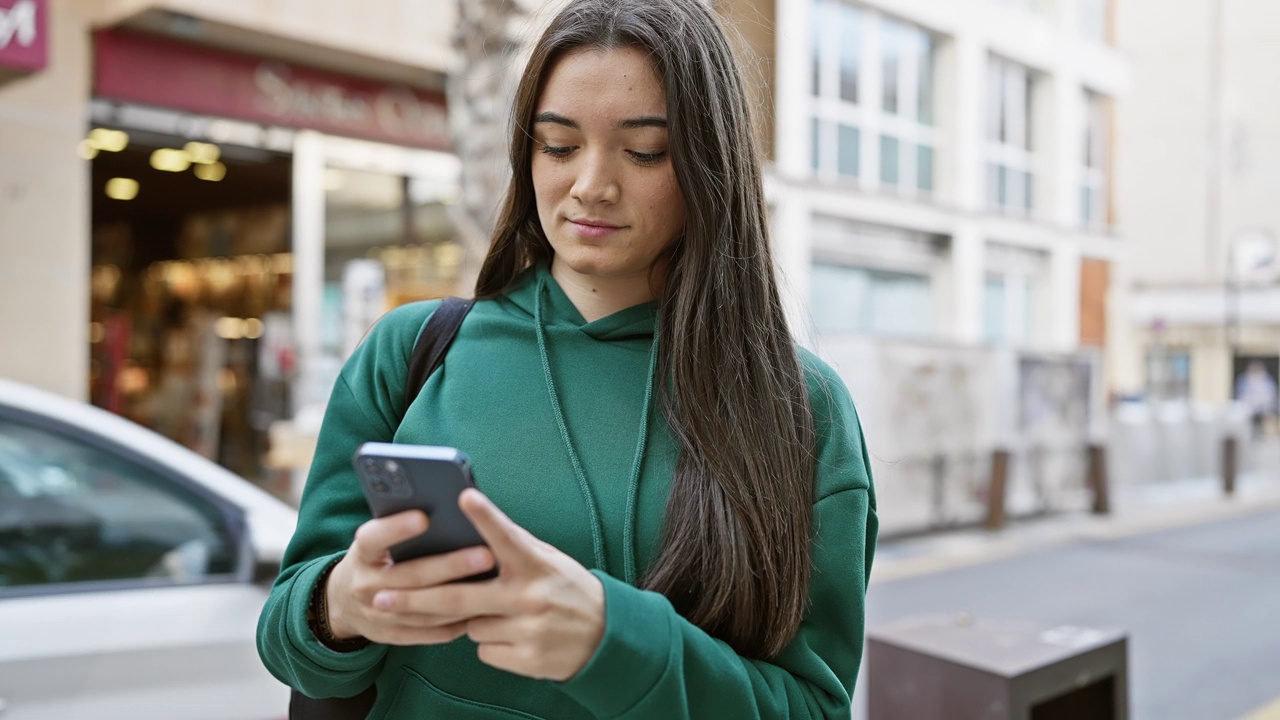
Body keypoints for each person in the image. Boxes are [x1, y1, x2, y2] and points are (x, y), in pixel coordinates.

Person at [256, 0, 878, 717]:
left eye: (643, 150)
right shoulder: (415, 352)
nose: (590, 185)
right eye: (557, 145)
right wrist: (338, 605)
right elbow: (286, 638)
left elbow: (814, 707)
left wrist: (614, 643)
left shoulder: (799, 405)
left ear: (710, 163)